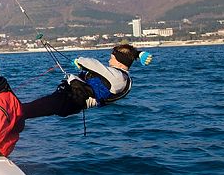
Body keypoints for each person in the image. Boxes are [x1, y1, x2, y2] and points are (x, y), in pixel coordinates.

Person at [22, 43, 152, 120]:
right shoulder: (122, 78)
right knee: (26, 111)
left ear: (119, 61)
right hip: (70, 102)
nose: (109, 61)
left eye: (111, 58)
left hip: (70, 101)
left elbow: (92, 63)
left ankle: (4, 123)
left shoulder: (118, 77)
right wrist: (137, 54)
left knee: (24, 111)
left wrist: (79, 61)